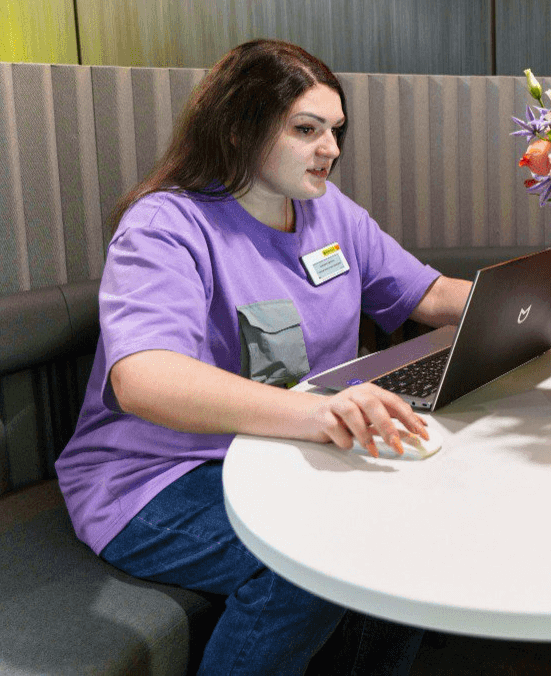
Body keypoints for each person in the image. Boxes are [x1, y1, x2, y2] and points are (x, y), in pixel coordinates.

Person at [55, 39, 472, 676]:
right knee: (308, 559)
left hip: (281, 452)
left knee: (408, 524)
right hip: (153, 478)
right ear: (238, 127)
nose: (329, 149)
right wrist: (321, 413)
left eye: (334, 130)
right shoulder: (165, 225)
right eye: (306, 129)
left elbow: (429, 294)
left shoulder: (329, 211)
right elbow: (145, 378)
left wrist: (540, 306)